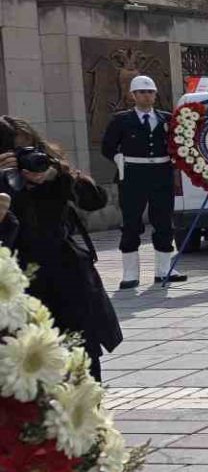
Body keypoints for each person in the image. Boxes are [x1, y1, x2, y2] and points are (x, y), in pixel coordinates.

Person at [0, 118, 121, 382]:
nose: (24, 160)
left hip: (66, 278)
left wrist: (59, 174)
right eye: (15, 153)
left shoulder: (53, 173)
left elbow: (95, 200)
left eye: (28, 150)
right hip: (16, 283)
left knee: (82, 359)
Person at [99, 73, 184, 289]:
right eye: (142, 92)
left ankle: (164, 269)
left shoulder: (167, 118)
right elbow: (107, 147)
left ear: (155, 95)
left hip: (161, 174)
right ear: (133, 96)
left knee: (163, 221)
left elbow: (178, 143)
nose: (146, 96)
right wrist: (118, 159)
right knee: (131, 222)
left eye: (150, 92)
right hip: (133, 175)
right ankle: (130, 273)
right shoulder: (121, 120)